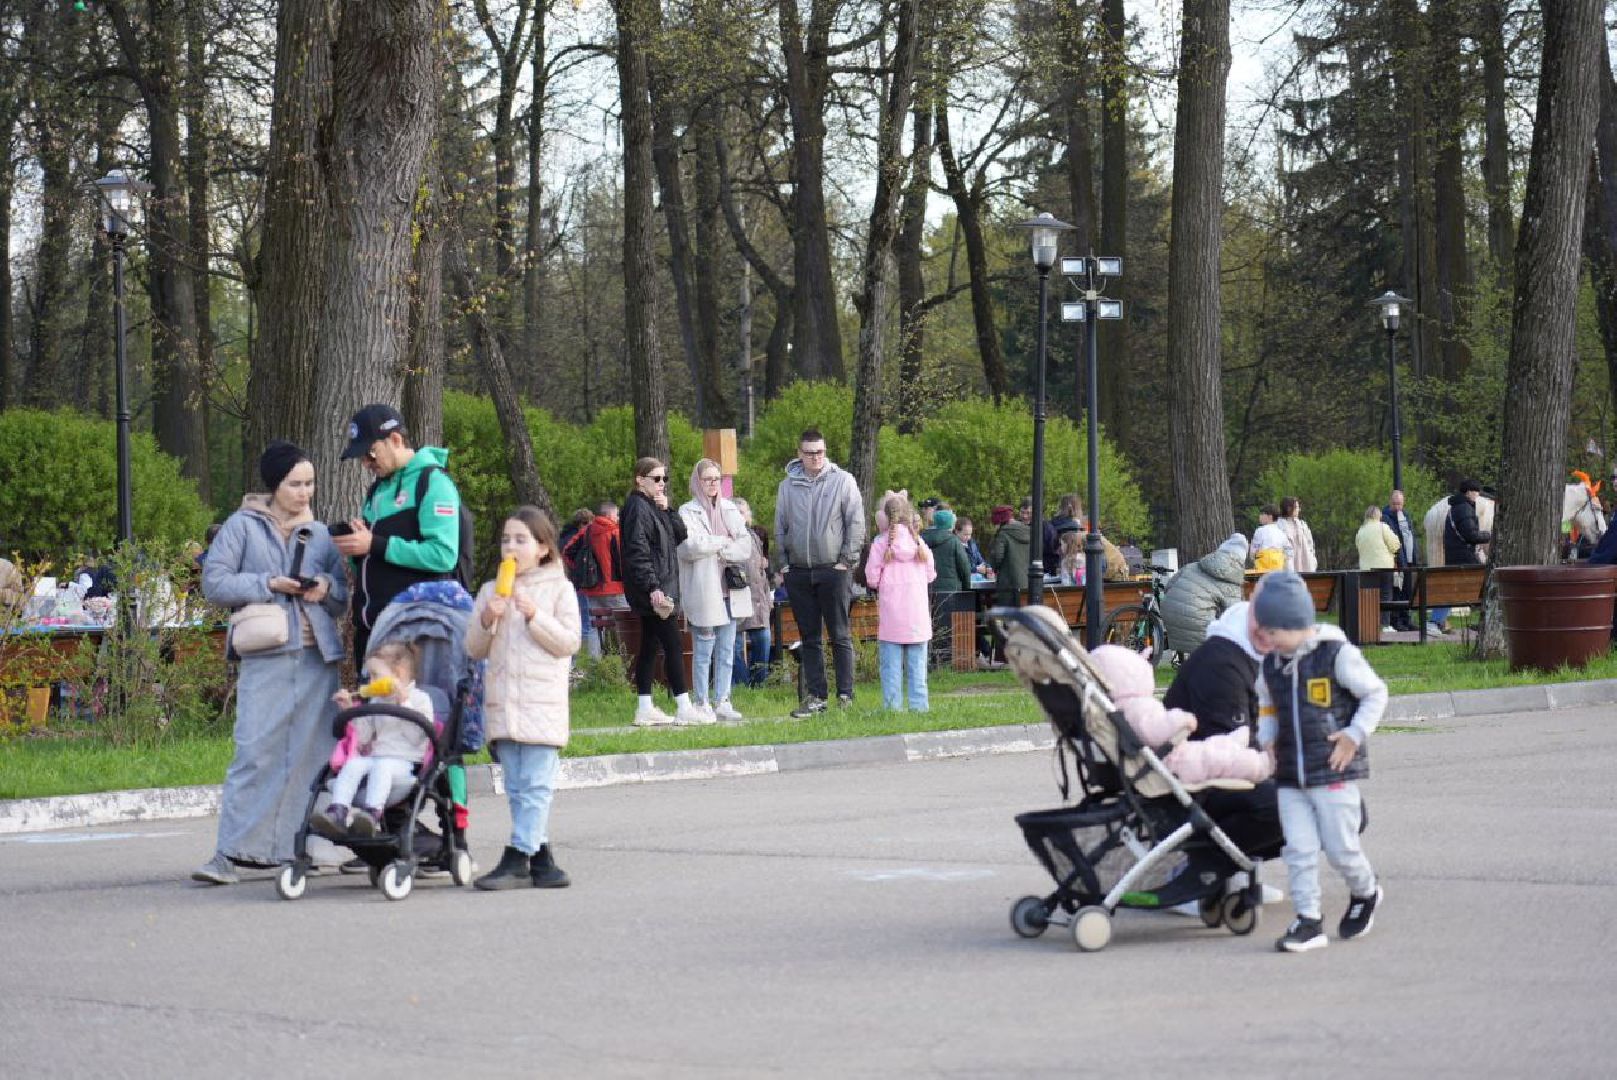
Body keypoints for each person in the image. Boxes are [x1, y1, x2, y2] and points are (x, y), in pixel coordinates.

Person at [194, 441, 349, 885]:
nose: (304, 493)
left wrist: (322, 585)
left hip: (317, 656)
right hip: (266, 652)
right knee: (254, 750)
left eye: (310, 484)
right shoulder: (242, 526)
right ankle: (229, 853)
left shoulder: (319, 533)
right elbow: (215, 582)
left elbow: (340, 595)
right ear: (274, 485)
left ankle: (295, 849)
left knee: (312, 753)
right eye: (295, 484)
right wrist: (269, 582)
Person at [1252, 571, 1386, 953]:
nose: (1267, 640)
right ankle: (1308, 920)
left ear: (1296, 624)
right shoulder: (1272, 665)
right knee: (1299, 849)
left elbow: (1375, 694)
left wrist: (1353, 735)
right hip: (1291, 775)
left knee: (1341, 848)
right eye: (1264, 632)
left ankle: (1366, 890)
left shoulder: (1336, 654)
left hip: (1332, 771)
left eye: (1273, 631)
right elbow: (1267, 705)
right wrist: (1267, 738)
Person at [465, 506, 581, 889]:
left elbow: (568, 642)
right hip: (503, 704)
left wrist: (534, 616)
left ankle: (517, 857)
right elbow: (474, 648)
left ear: (543, 548)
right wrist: (486, 619)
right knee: (517, 787)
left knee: (536, 785)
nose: (510, 547)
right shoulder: (488, 590)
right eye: (505, 539)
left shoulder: (559, 588)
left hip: (541, 704)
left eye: (520, 540)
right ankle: (543, 861)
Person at [332, 404, 466, 667]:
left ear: (395, 440)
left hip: (412, 631)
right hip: (371, 630)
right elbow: (372, 558)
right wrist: (356, 549)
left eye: (371, 453)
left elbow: (443, 555)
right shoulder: (376, 491)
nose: (366, 463)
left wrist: (375, 544)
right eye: (361, 457)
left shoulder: (433, 482)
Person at [775, 428, 865, 716]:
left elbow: (856, 523)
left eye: (820, 452)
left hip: (834, 570)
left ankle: (845, 696)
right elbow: (780, 526)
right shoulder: (787, 486)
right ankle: (816, 697)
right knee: (809, 637)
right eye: (810, 453)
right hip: (799, 572)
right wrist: (784, 564)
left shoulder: (843, 481)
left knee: (840, 635)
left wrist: (846, 561)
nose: (816, 458)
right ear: (800, 454)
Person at [311, 641, 434, 839]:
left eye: (375, 676)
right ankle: (338, 811)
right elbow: (365, 738)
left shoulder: (420, 699)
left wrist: (403, 703)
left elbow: (416, 738)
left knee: (383, 766)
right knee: (353, 764)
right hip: (377, 755)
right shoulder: (376, 701)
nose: (370, 683)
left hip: (404, 760)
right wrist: (351, 710)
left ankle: (372, 813)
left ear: (399, 674)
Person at [621, 456, 706, 727]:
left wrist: (668, 510)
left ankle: (644, 707)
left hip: (662, 585)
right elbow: (637, 551)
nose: (661, 484)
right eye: (656, 479)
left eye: (664, 479)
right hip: (655, 590)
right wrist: (653, 587)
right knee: (673, 644)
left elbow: (681, 536)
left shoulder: (654, 506)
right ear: (640, 479)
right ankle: (683, 705)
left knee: (650, 646)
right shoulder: (636, 507)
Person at [678, 459, 754, 722]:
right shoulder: (687, 511)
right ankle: (701, 701)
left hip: (730, 588)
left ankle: (723, 699)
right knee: (703, 647)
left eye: (716, 479)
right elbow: (690, 546)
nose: (712, 484)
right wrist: (723, 542)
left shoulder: (729, 508)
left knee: (727, 648)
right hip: (705, 589)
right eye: (707, 479)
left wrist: (717, 547)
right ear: (697, 481)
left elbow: (745, 546)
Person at [865, 493, 935, 710]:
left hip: (892, 617)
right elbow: (931, 575)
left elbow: (871, 578)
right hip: (917, 617)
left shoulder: (881, 544)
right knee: (917, 667)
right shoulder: (919, 544)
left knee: (891, 668)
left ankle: (892, 707)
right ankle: (919, 706)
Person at [1159, 533, 1249, 656]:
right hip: (1197, 620)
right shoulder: (1232, 582)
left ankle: (1185, 660)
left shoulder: (1193, 566)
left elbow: (1169, 586)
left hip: (1169, 612)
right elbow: (1233, 614)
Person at [730, 497, 774, 690]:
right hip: (736, 597)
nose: (740, 516)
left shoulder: (755, 536)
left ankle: (758, 685)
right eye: (736, 512)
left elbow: (761, 573)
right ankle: (741, 684)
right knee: (734, 645)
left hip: (758, 600)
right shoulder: (727, 536)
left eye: (743, 512)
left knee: (763, 640)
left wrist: (767, 598)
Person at [578, 500, 628, 655]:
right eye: (617, 514)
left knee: (595, 627)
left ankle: (596, 668)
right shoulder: (616, 532)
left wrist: (581, 571)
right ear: (610, 514)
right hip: (616, 588)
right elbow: (626, 560)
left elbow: (567, 552)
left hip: (593, 588)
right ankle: (623, 665)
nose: (618, 518)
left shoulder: (586, 532)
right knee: (623, 626)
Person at [559, 509, 599, 658]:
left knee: (573, 622)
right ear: (582, 524)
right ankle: (584, 659)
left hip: (566, 585)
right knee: (586, 624)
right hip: (579, 584)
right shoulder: (579, 539)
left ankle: (575, 658)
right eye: (589, 524)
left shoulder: (563, 537)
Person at [1355, 506, 1401, 633]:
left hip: (1366, 569)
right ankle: (1385, 625)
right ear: (1378, 515)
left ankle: (1370, 625)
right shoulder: (1383, 527)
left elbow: (1358, 546)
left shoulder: (1361, 530)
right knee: (1386, 595)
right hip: (1384, 566)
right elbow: (1395, 544)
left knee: (1369, 597)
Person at [1382, 490, 1419, 632]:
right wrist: (1397, 560)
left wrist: (1414, 557)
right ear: (1390, 502)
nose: (1398, 507)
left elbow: (1410, 536)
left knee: (1408, 592)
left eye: (1400, 504)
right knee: (1397, 591)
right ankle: (1396, 621)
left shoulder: (1406, 516)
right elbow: (1393, 541)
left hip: (1408, 560)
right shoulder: (1385, 518)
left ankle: (1406, 619)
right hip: (1397, 560)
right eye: (1395, 503)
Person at [989, 501, 1031, 607]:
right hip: (1027, 582)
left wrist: (992, 568)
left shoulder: (1003, 534)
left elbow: (997, 557)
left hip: (1008, 584)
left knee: (1009, 619)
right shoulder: (1028, 531)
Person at [921, 507, 972, 595]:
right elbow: (964, 567)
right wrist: (967, 587)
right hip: (951, 590)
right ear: (951, 524)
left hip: (928, 589)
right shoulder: (955, 541)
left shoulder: (922, 539)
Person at [1443, 479, 1492, 566]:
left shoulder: (1454, 507)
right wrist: (1489, 535)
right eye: (1476, 491)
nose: (1477, 495)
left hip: (1453, 558)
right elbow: (1471, 535)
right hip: (1465, 559)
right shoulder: (1465, 508)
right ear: (1468, 492)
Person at [1277, 496, 1318, 573]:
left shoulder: (1302, 525)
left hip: (1305, 566)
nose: (1299, 510)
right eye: (1296, 507)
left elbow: (1310, 544)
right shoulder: (1279, 525)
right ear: (1289, 508)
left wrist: (1312, 559)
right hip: (1287, 566)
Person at [1251, 505, 1292, 573]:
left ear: (1270, 516)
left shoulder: (1260, 531)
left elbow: (1253, 551)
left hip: (1262, 568)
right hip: (1278, 568)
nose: (1260, 516)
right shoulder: (1281, 533)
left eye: (1262, 514)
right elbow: (1289, 551)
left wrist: (1253, 556)